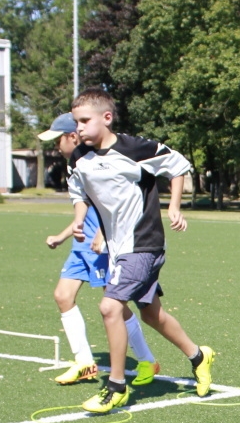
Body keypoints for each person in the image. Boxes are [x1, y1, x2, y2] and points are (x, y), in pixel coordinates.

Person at [66, 88, 214, 412]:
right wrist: (80, 220)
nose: (78, 128)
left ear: (107, 118)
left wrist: (174, 206)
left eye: (84, 121)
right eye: (76, 121)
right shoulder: (79, 158)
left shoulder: (135, 148)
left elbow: (177, 166)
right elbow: (79, 192)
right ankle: (199, 355)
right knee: (151, 314)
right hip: (118, 248)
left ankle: (117, 386)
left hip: (144, 243)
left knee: (110, 308)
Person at [39, 112, 160, 387]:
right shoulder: (77, 165)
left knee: (115, 306)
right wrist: (62, 236)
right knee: (62, 295)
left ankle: (146, 359)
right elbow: (83, 209)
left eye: (58, 140)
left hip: (102, 246)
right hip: (82, 245)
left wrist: (102, 237)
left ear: (72, 136)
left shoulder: (97, 160)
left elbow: (111, 205)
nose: (57, 147)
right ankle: (84, 363)